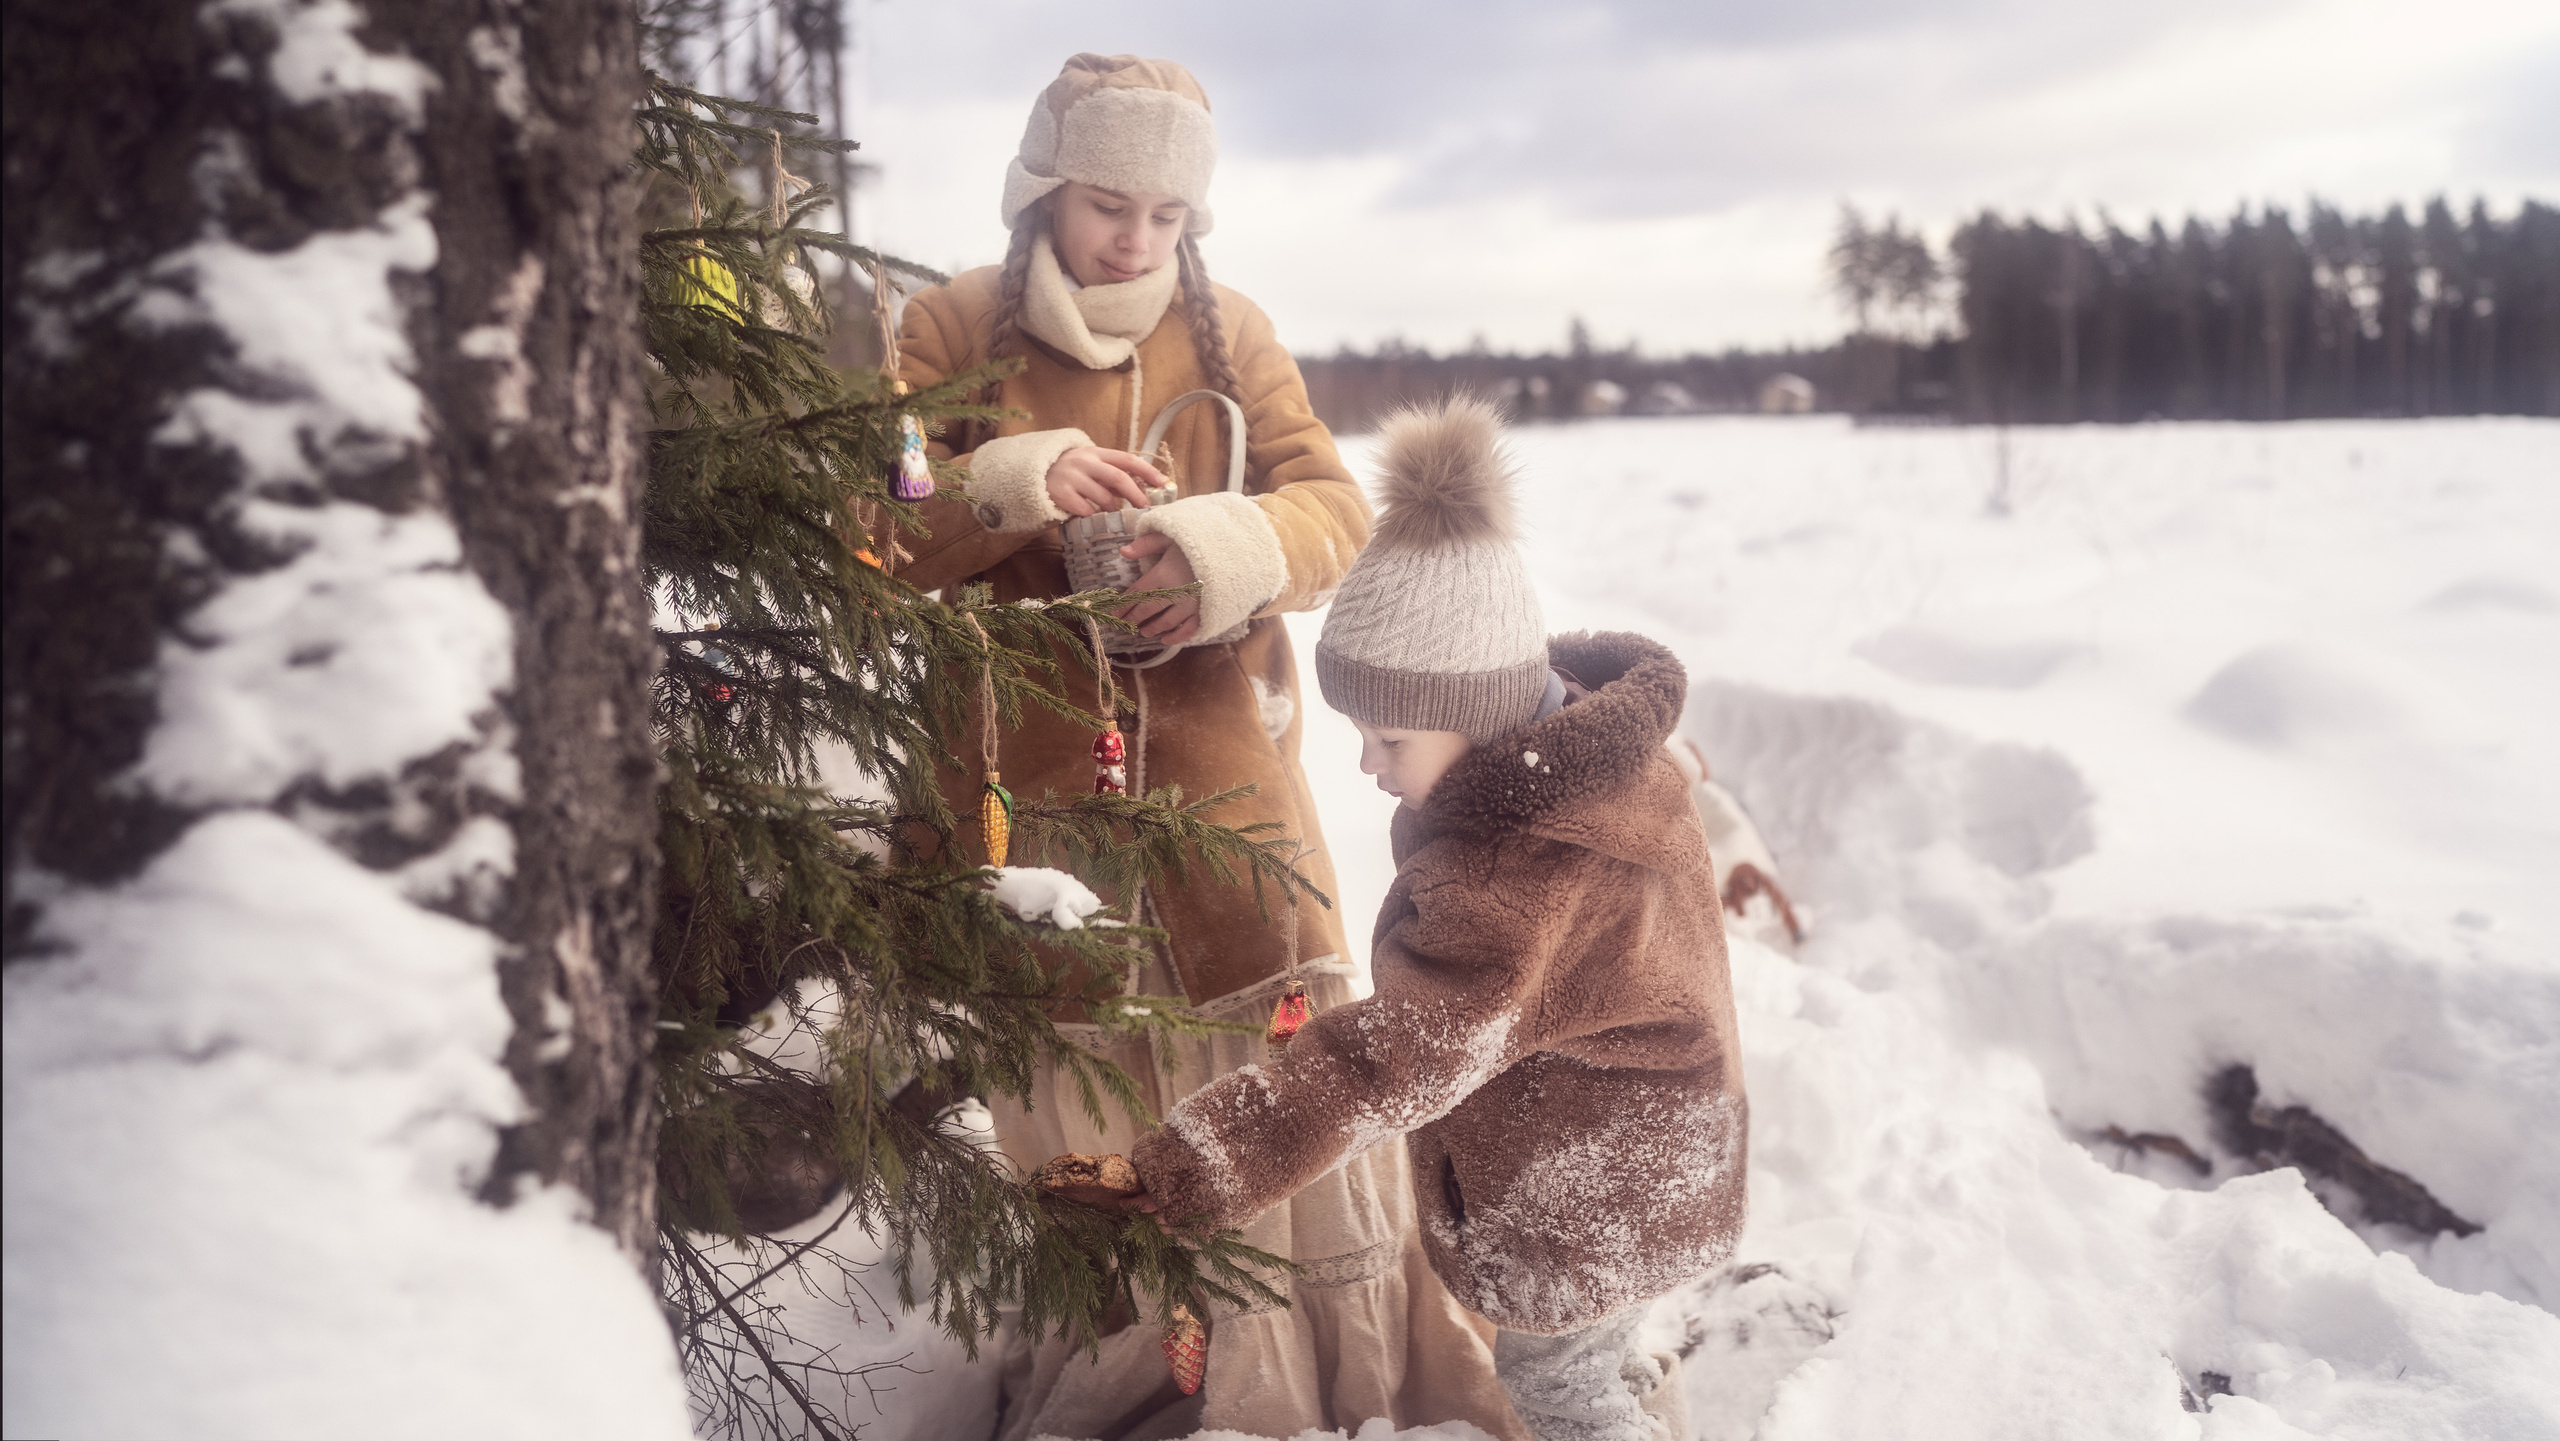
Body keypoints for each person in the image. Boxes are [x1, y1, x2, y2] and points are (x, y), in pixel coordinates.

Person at [888, 54, 1521, 1441]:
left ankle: (1324, 1389)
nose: (1136, 238)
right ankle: (1152, 1394)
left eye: (1168, 216)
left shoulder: (1232, 325)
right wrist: (1010, 480)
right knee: (1078, 1087)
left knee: (1279, 1063)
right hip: (1024, 788)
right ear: (1046, 187)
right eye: (1110, 202)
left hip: (1228, 783)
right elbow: (874, 518)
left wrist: (1222, 552)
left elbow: (1330, 512)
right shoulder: (941, 324)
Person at [1117, 397, 1751, 1441]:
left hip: (1585, 1181)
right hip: (1655, 1140)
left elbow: (1392, 1058)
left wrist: (1203, 1158)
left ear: (1489, 709)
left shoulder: (1519, 872)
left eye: (1391, 737)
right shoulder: (1603, 760)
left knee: (1558, 1387)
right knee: (1596, 1356)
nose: (1366, 763)